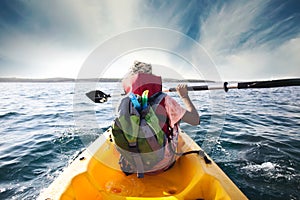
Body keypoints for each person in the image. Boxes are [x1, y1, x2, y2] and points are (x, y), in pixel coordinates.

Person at [112, 61, 200, 177]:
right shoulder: (165, 100)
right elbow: (195, 120)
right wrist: (184, 96)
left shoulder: (124, 102)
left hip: (131, 165)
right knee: (174, 126)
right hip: (161, 164)